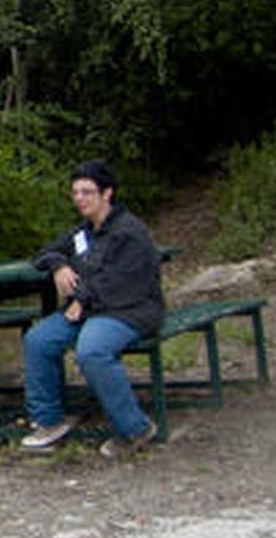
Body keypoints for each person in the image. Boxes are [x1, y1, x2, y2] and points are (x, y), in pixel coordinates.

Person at [19, 160, 166, 456]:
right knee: (38, 340)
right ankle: (49, 422)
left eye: (87, 192)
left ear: (107, 193)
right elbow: (45, 252)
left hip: (130, 310)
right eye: (75, 193)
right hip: (90, 311)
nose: (80, 199)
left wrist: (82, 300)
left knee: (92, 351)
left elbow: (119, 282)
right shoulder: (83, 232)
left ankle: (135, 429)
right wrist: (58, 265)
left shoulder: (130, 232)